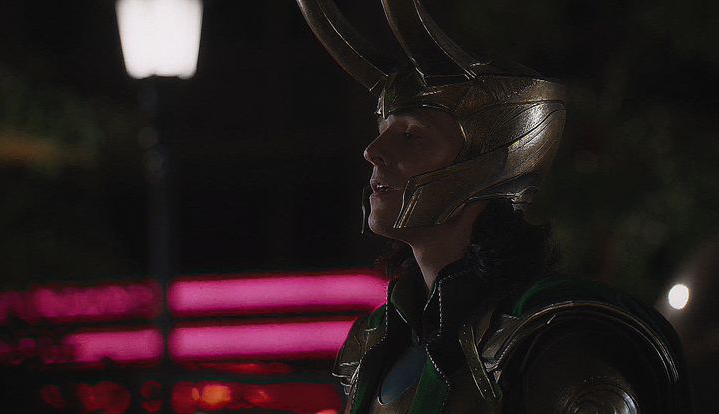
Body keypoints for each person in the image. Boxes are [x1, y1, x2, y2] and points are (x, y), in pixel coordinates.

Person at [296, 0, 691, 412]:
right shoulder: (376, 342)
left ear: (490, 161)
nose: (372, 151)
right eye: (382, 131)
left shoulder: (552, 337)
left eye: (411, 135)